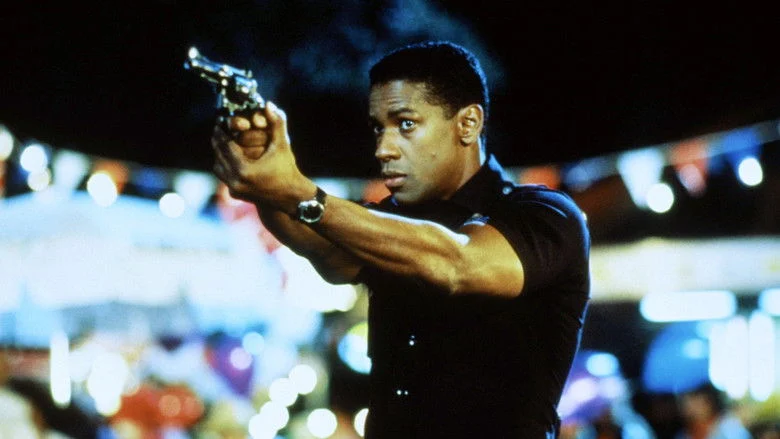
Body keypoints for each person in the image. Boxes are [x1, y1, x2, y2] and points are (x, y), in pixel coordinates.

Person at [211, 40, 591, 438]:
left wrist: (298, 193)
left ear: (468, 123)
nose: (383, 148)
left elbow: (459, 265)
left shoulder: (545, 213)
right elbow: (323, 247)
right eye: (379, 127)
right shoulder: (389, 223)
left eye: (405, 124)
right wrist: (263, 179)